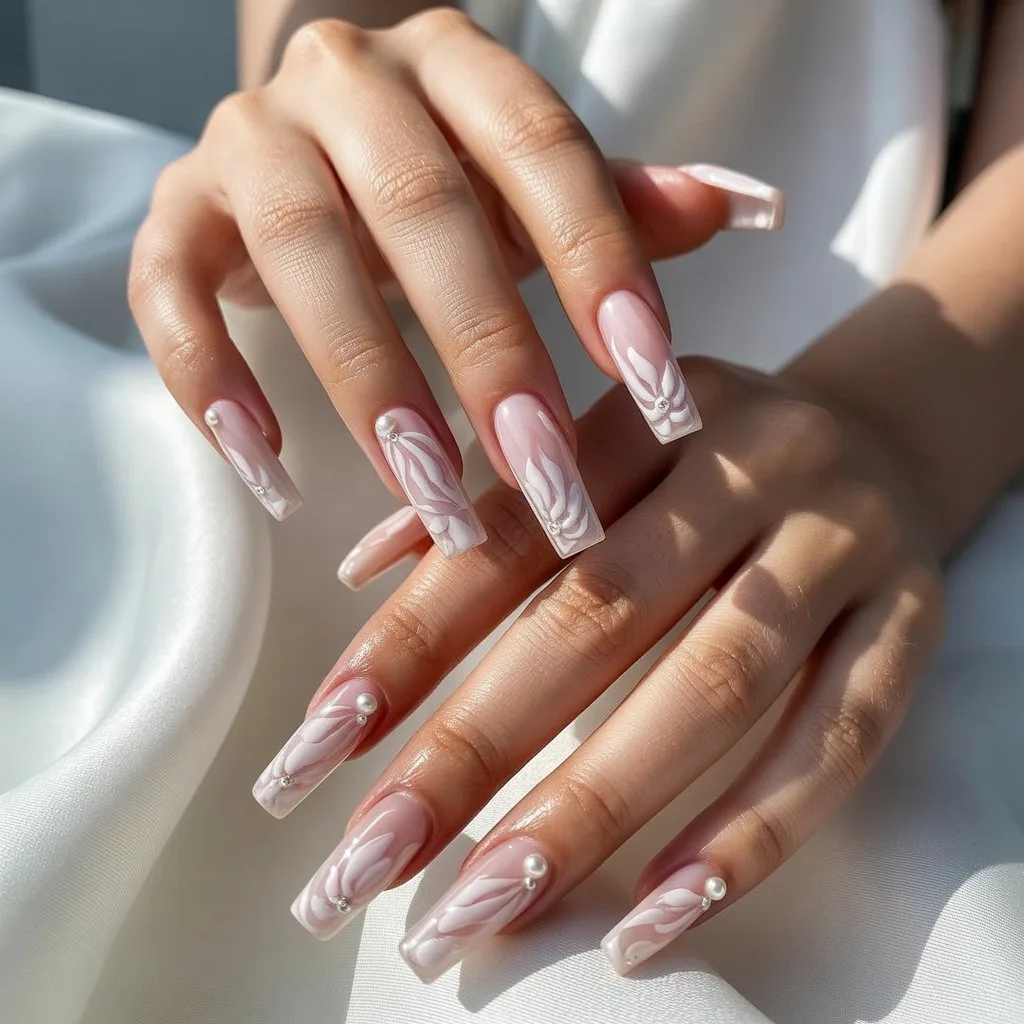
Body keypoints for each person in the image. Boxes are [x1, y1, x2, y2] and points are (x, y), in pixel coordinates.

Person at [125, 0, 1024, 1014]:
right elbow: (324, 40)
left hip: (904, 380)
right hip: (336, 366)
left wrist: (890, 426)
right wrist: (322, 116)